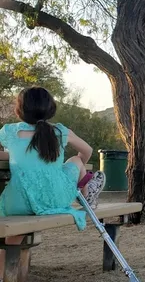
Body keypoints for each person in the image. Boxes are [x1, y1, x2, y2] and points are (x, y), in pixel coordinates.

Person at [0, 87, 105, 227]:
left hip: (17, 202)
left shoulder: (9, 131)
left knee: (13, 232)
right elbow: (87, 151)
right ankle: (85, 193)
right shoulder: (60, 131)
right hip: (56, 198)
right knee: (76, 160)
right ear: (50, 108)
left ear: (19, 109)